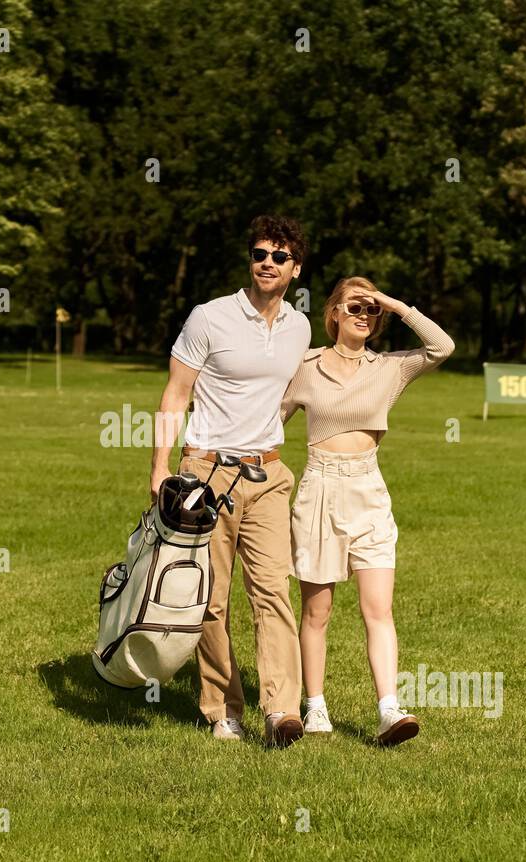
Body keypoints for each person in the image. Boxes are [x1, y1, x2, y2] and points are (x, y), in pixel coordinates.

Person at [150, 215, 310, 747]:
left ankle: (282, 711)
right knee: (211, 600)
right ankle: (223, 707)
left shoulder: (299, 327)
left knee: (273, 592)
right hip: (206, 473)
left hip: (268, 474)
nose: (267, 262)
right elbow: (176, 395)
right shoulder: (210, 317)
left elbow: (281, 397)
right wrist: (161, 465)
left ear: (295, 269)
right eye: (259, 253)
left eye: (279, 256)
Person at [280, 277, 454, 745]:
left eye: (370, 309)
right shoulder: (307, 366)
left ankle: (388, 711)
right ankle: (314, 705)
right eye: (353, 305)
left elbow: (442, 346)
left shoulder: (390, 368)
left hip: (369, 491)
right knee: (317, 612)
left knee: (379, 608)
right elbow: (270, 421)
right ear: (333, 312)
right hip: (320, 489)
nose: (363, 314)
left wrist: (397, 305)